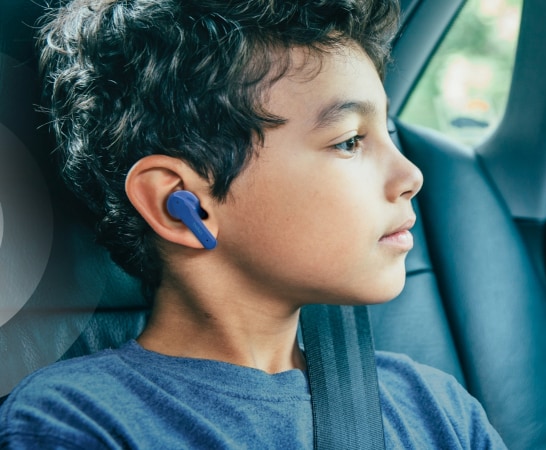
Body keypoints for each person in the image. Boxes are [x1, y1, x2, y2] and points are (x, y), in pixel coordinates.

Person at [0, 0, 507, 448]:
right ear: (182, 204)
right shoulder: (76, 422)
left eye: (387, 133)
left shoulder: (436, 408)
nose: (411, 176)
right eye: (349, 141)